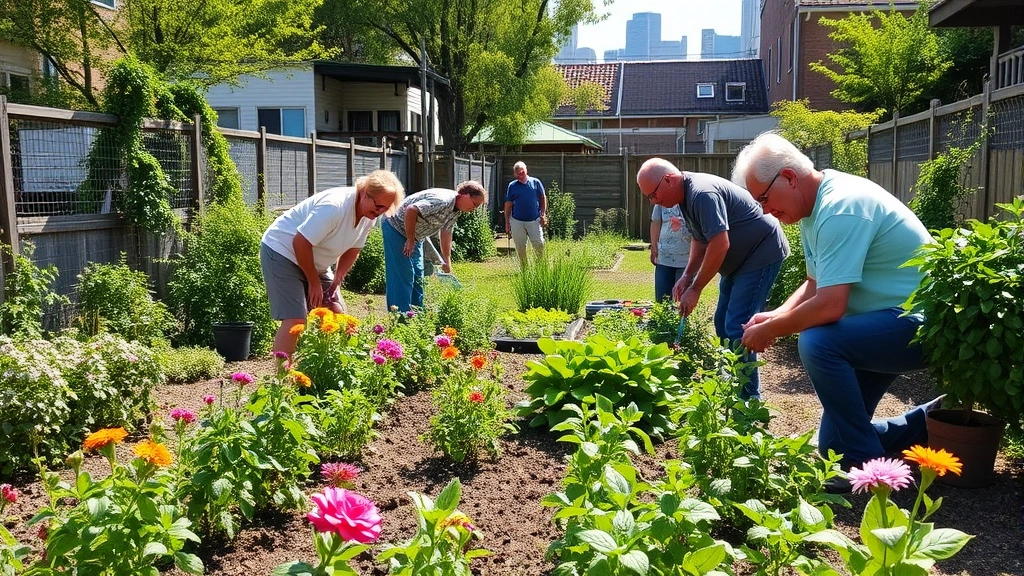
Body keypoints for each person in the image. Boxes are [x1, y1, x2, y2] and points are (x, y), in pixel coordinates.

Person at [732, 132, 942, 478]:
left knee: (818, 343)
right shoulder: (813, 207)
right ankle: (928, 422)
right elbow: (816, 282)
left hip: (920, 325)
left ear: (788, 177)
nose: (766, 211)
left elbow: (830, 307)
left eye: (764, 199)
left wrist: (772, 329)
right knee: (833, 445)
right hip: (879, 324)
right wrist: (776, 314)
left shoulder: (841, 208)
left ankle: (865, 462)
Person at [636, 158, 789, 400]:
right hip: (739, 262)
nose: (653, 202)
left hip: (760, 254)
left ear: (668, 179)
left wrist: (696, 288)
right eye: (649, 198)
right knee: (721, 322)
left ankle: (748, 398)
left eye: (653, 195)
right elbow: (700, 239)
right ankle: (731, 379)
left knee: (738, 324)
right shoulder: (685, 197)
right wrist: (687, 276)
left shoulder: (702, 194)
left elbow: (720, 243)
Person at [260, 169, 404, 355]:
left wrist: (337, 281)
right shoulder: (334, 207)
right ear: (364, 192)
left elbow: (353, 250)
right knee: (295, 319)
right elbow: (300, 242)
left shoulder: (369, 217)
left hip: (314, 260)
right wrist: (313, 282)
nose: (379, 212)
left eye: (385, 209)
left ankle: (333, 365)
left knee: (338, 313)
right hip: (282, 251)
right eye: (378, 206)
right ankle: (282, 377)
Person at [383, 181, 488, 311]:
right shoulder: (442, 201)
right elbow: (411, 210)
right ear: (465, 195)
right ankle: (400, 319)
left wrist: (447, 260)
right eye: (475, 204)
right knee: (404, 275)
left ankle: (416, 318)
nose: (474, 209)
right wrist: (410, 240)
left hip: (417, 236)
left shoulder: (456, 210)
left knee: (418, 275)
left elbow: (446, 232)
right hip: (397, 229)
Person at [504, 161, 547, 264]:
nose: (520, 175)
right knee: (520, 247)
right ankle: (524, 269)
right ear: (515, 174)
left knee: (539, 244)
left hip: (534, 220)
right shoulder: (512, 186)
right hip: (516, 221)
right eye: (518, 173)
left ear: (526, 170)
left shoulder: (536, 182)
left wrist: (543, 213)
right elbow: (508, 205)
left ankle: (541, 268)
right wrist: (507, 223)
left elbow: (542, 198)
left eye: (522, 172)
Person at [650, 203, 693, 303]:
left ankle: (682, 318)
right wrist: (653, 246)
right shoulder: (661, 200)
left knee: (682, 301)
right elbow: (656, 222)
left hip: (687, 261)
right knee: (662, 301)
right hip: (664, 258)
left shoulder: (691, 199)